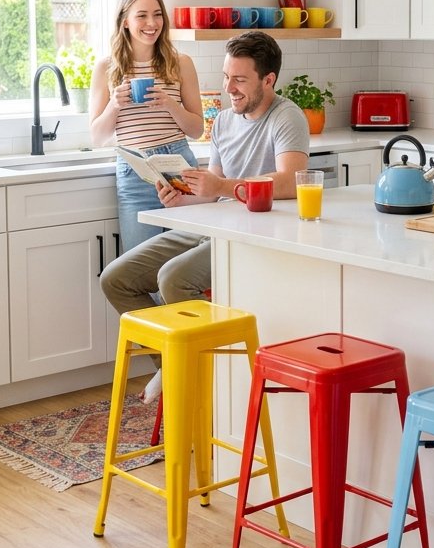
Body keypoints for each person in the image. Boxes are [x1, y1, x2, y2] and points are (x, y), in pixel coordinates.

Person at [99, 30, 310, 400]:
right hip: (217, 224)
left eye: (240, 79)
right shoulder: (226, 121)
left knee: (173, 278)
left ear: (269, 79)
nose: (230, 87)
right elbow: (213, 190)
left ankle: (202, 391)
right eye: (227, 77)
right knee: (116, 278)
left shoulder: (286, 116)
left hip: (255, 235)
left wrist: (220, 188)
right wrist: (182, 197)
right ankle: (172, 364)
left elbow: (291, 181)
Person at [89, 0, 204, 252]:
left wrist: (170, 105)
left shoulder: (181, 63)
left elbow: (197, 129)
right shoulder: (107, 68)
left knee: (185, 265)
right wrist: (114, 105)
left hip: (179, 166)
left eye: (157, 14)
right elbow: (97, 137)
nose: (152, 23)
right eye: (141, 15)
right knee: (139, 269)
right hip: (134, 170)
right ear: (125, 21)